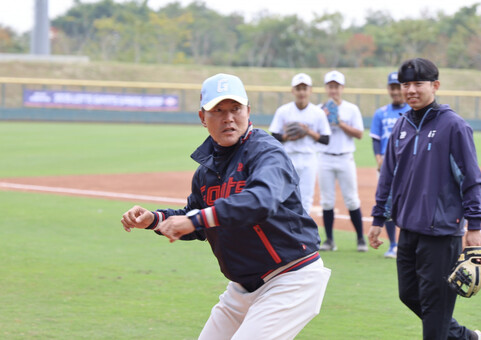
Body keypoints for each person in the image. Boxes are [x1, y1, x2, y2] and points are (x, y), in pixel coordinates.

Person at [121, 73, 331, 340]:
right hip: (242, 288)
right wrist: (154, 219)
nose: (228, 117)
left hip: (291, 278)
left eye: (235, 109)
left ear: (248, 111)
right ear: (202, 118)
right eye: (217, 110)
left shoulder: (267, 153)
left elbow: (260, 201)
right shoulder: (207, 171)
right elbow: (196, 218)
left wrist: (196, 220)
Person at [368, 58, 481, 340]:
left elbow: (471, 178)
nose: (410, 90)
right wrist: (377, 219)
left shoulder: (454, 126)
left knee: (435, 314)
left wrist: (475, 226)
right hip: (408, 228)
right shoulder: (401, 126)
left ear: (435, 85)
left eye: (417, 84)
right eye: (405, 84)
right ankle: (465, 337)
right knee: (408, 294)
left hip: (441, 230)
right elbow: (388, 176)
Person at [317, 70, 367, 252]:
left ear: (342, 88)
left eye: (336, 86)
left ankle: (361, 239)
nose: (333, 90)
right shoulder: (319, 109)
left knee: (352, 199)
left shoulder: (351, 109)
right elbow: (317, 134)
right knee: (327, 200)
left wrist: (340, 123)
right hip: (325, 157)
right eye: (330, 86)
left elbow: (360, 134)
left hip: (345, 157)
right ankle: (329, 240)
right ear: (326, 88)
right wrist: (323, 117)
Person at [269, 73, 331, 213]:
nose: (301, 92)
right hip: (288, 157)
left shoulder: (317, 113)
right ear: (293, 91)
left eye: (305, 88)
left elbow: (326, 139)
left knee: (306, 198)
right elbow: (274, 136)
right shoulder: (283, 111)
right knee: (284, 196)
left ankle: (302, 231)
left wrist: (307, 131)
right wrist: (287, 136)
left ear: (310, 90)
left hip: (309, 158)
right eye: (298, 88)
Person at [369, 71, 410, 258]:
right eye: (392, 87)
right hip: (386, 164)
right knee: (388, 204)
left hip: (409, 164)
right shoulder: (381, 113)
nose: (395, 91)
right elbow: (376, 139)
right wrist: (378, 158)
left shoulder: (412, 110)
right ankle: (393, 244)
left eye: (398, 87)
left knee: (409, 202)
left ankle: (408, 243)